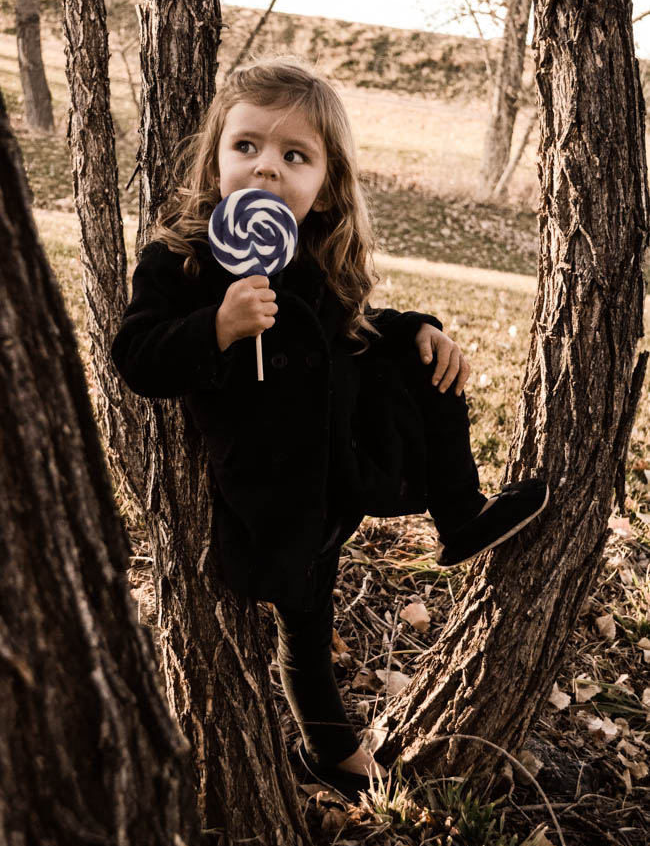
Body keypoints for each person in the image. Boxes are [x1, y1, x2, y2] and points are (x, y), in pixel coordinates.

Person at [112, 56, 548, 800]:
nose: (266, 169)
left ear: (325, 186)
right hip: (267, 489)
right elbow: (137, 357)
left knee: (419, 350)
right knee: (305, 627)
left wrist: (420, 328)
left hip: (337, 470)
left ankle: (462, 514)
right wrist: (214, 327)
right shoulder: (180, 262)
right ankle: (332, 750)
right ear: (215, 155)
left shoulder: (316, 260)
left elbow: (354, 330)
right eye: (245, 147)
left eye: (295, 156)